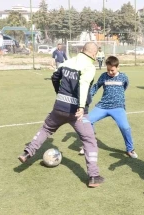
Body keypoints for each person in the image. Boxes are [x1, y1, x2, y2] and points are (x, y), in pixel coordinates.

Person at [18, 42, 104, 188]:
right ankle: (94, 176)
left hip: (58, 107)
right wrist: (81, 107)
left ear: (82, 50)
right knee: (89, 140)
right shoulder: (89, 67)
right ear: (94, 54)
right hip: (76, 112)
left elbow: (54, 78)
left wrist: (59, 93)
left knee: (46, 129)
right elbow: (83, 85)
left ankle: (27, 152)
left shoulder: (67, 62)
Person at [83, 56, 138, 159]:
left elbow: (125, 86)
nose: (110, 72)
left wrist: (118, 98)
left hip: (118, 107)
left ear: (118, 67)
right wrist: (87, 99)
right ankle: (90, 142)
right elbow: (95, 87)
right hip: (103, 106)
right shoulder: (103, 76)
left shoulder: (123, 77)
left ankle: (130, 149)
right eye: (108, 69)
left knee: (125, 127)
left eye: (112, 70)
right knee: (87, 121)